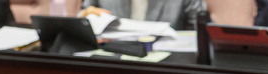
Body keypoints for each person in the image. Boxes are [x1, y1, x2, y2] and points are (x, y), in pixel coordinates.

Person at [78, 0, 206, 30]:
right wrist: (83, 18)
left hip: (166, 70)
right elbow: (85, 13)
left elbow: (200, 29)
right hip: (111, 67)